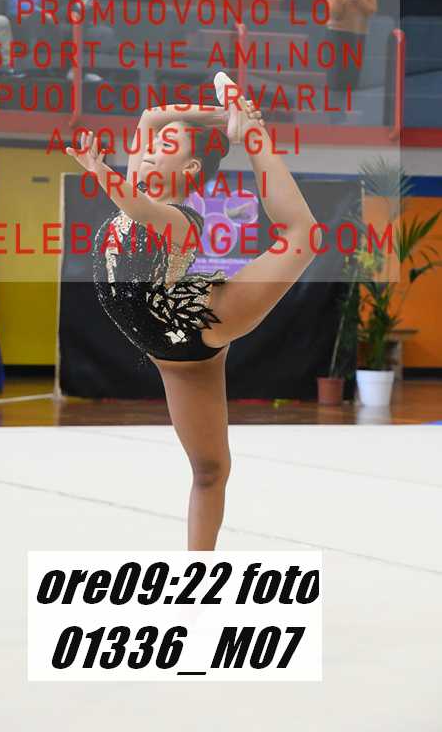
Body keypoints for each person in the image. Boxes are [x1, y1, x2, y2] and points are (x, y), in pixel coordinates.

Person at [66, 73, 321, 551]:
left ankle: (256, 139)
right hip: (171, 353)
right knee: (210, 471)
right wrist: (222, 117)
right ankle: (199, 574)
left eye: (165, 146)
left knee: (304, 236)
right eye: (150, 145)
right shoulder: (138, 182)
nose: (147, 149)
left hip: (200, 319)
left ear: (188, 170)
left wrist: (100, 171)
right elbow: (151, 114)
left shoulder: (181, 221)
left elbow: (137, 208)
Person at [325, 0, 378, 94]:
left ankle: (350, 101)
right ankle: (334, 101)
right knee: (336, 70)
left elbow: (371, 11)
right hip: (336, 32)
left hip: (358, 33)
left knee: (353, 70)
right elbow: (334, 14)